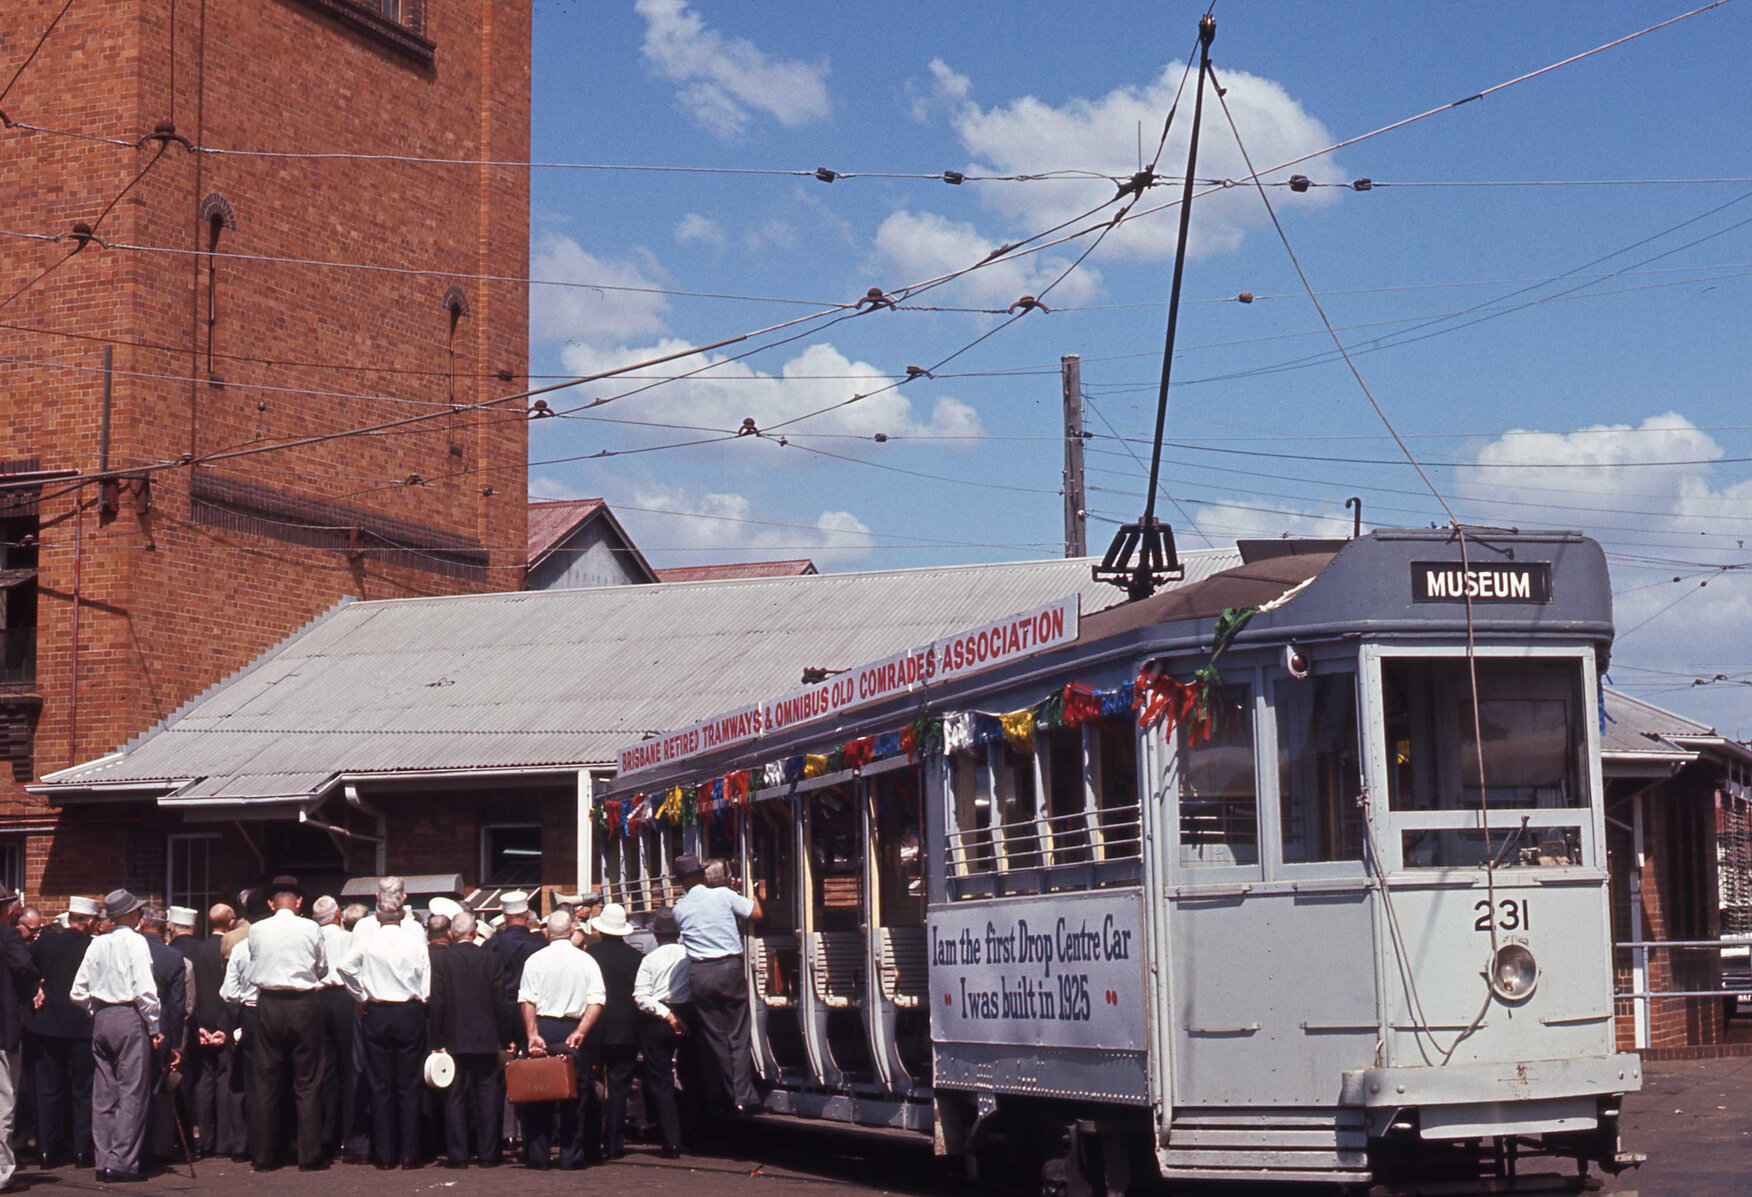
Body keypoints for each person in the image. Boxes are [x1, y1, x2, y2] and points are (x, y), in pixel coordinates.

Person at [337, 877, 430, 1170]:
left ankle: (385, 1154)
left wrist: (362, 995)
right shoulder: (415, 935)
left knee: (379, 1085)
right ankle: (410, 1152)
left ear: (377, 912)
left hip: (377, 1011)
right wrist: (422, 998)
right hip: (409, 1011)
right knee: (409, 1084)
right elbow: (427, 974)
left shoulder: (369, 937)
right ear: (401, 910)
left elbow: (344, 967)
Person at [70, 890, 161, 1183]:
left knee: (104, 1093)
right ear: (131, 915)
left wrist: (94, 1010)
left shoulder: (97, 944)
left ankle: (104, 1159)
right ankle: (122, 1161)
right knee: (132, 1091)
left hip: (102, 1017)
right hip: (128, 1015)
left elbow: (77, 991)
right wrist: (154, 1025)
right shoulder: (136, 942)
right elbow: (145, 991)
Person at [244, 876, 327, 1172]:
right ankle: (309, 1155)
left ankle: (265, 1156)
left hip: (268, 1003)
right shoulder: (311, 928)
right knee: (308, 1080)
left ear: (270, 903)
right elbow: (322, 967)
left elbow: (255, 960)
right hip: (303, 1002)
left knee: (266, 1080)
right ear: (299, 901)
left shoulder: (257, 929)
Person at [670, 854, 762, 1118]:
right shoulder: (723, 895)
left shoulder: (679, 908)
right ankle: (743, 1096)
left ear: (681, 883)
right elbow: (756, 913)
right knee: (738, 1035)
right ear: (704, 875)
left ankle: (727, 1093)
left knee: (716, 1038)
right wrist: (752, 891)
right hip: (730, 968)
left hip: (701, 973)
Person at [515, 910, 604, 1171]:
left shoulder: (535, 960)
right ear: (572, 931)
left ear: (547, 932)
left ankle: (537, 1155)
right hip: (574, 1029)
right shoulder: (586, 961)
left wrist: (532, 1033)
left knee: (537, 1094)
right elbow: (596, 1000)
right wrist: (582, 1032)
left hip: (543, 1027)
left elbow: (527, 1000)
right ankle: (571, 1156)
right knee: (575, 1096)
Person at [426, 910, 509, 1168]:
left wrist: (435, 1039)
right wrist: (506, 1036)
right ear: (474, 933)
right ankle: (488, 1153)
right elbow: (500, 1002)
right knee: (487, 1096)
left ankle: (458, 1154)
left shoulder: (442, 961)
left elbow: (437, 1001)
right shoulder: (492, 959)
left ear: (451, 934)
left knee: (455, 1097)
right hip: (486, 1037)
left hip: (453, 1036)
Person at [30, 896, 98, 1168]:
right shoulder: (93, 946)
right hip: (82, 1025)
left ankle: (47, 1150)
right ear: (91, 921)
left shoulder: (45, 942)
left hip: (48, 1024)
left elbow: (24, 966)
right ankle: (82, 1151)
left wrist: (36, 985)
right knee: (83, 1091)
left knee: (48, 1090)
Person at [633, 910, 690, 1159]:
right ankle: (694, 1133)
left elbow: (641, 997)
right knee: (692, 1077)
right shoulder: (689, 956)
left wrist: (665, 1014)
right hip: (687, 1015)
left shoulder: (649, 960)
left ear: (656, 935)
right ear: (678, 934)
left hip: (657, 1021)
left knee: (661, 1081)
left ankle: (671, 1141)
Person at [585, 904, 641, 1161]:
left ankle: (592, 1140)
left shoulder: (591, 955)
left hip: (596, 1025)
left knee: (592, 1084)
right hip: (626, 1026)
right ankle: (615, 1142)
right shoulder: (636, 957)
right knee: (620, 1085)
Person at [183, 905, 238, 1160]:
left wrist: (199, 1027)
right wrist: (226, 1026)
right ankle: (224, 1142)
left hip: (203, 1022)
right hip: (225, 1021)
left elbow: (191, 991)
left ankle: (206, 1140)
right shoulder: (231, 949)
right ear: (231, 922)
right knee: (225, 1081)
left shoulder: (196, 950)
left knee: (204, 1083)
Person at [136, 906, 187, 1168]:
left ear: (141, 922)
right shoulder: (172, 957)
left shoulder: (127, 948)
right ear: (166, 927)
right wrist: (176, 1044)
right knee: (155, 1090)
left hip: (129, 1022)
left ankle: (130, 1150)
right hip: (162, 1029)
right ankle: (151, 1149)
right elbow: (177, 1006)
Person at [0, 889, 38, 1189]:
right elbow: (24, 968)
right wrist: (28, 994)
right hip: (3, 1028)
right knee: (4, 1101)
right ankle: (2, 1173)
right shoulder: (8, 936)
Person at [217, 920, 259, 1162]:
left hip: (245, 1012)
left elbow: (228, 992)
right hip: (273, 1012)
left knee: (241, 1081)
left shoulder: (241, 949)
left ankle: (242, 1144)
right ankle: (266, 1141)